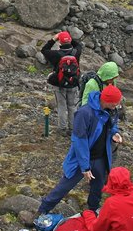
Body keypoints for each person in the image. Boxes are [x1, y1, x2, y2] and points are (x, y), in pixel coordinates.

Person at [38, 85, 123, 215]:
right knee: (65, 185)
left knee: (98, 187)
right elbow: (79, 141)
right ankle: (43, 209)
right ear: (107, 100)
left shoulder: (111, 110)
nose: (117, 105)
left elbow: (112, 125)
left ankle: (93, 211)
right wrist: (85, 167)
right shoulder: (84, 113)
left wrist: (114, 133)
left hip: (100, 157)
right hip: (82, 159)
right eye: (116, 103)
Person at [41, 31, 83, 134]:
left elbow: (44, 50)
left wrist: (54, 39)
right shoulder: (76, 52)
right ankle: (72, 128)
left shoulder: (55, 54)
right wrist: (69, 38)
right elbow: (78, 45)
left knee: (61, 106)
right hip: (73, 83)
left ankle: (62, 128)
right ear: (69, 40)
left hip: (59, 83)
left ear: (60, 42)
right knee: (72, 106)